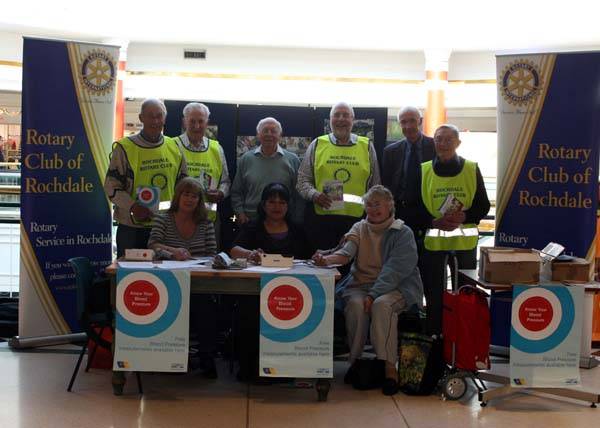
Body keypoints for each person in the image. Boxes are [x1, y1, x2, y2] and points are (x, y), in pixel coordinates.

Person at [312, 185, 423, 395]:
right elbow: (345, 254)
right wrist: (324, 260)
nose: (373, 209)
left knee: (381, 306)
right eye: (369, 205)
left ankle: (390, 368)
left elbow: (395, 270)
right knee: (354, 305)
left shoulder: (403, 232)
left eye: (377, 204)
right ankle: (355, 362)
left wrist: (374, 294)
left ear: (390, 206)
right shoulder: (359, 227)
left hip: (397, 287)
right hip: (359, 285)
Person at [413, 124, 490, 336]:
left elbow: (483, 205)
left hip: (464, 246)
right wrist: (432, 222)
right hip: (433, 246)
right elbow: (412, 207)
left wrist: (465, 216)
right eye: (439, 139)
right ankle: (435, 346)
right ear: (433, 142)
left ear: (458, 143)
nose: (443, 144)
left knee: (465, 298)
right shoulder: (424, 170)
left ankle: (463, 347)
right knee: (434, 298)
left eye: (448, 139)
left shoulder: (471, 168)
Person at [230, 182, 311, 382]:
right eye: (272, 201)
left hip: (291, 291)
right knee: (248, 312)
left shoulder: (297, 229)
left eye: (282, 202)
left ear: (288, 206)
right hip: (257, 290)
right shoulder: (252, 226)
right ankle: (251, 368)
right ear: (264, 205)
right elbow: (233, 250)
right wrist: (251, 254)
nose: (276, 206)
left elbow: (310, 257)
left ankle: (288, 367)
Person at [148, 177, 218, 378]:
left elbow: (212, 253)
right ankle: (170, 358)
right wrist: (173, 253)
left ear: (199, 200)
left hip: (198, 282)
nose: (189, 199)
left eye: (195, 196)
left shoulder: (206, 223)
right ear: (178, 196)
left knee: (206, 309)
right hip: (167, 282)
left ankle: (206, 358)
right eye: (186, 194)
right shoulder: (163, 218)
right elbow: (153, 244)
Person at [104, 98, 187, 258]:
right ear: (141, 118)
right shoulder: (124, 148)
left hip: (165, 228)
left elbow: (183, 185)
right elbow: (111, 187)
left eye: (159, 116)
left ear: (165, 118)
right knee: (130, 277)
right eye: (150, 116)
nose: (155, 121)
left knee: (164, 278)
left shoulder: (175, 147)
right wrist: (134, 206)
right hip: (131, 228)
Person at [297, 102, 381, 253]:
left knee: (353, 271)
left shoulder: (367, 146)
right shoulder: (317, 144)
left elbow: (375, 186)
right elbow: (302, 181)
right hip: (321, 221)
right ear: (330, 119)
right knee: (323, 270)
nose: (341, 119)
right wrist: (315, 195)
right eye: (336, 115)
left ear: (353, 119)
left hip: (357, 222)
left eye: (345, 115)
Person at [230, 117, 300, 225]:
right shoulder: (246, 159)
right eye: (265, 130)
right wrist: (240, 213)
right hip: (250, 220)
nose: (269, 134)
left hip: (283, 221)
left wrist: (296, 220)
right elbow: (236, 192)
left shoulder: (293, 160)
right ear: (258, 135)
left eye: (273, 131)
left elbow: (298, 195)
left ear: (280, 135)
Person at [173, 102, 231, 225]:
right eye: (192, 121)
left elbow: (225, 182)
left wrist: (220, 193)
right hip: (177, 218)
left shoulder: (217, 148)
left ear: (207, 122)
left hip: (207, 218)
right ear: (184, 122)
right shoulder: (172, 146)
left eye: (201, 121)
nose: (197, 126)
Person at [382, 106, 435, 239]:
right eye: (403, 122)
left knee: (426, 256)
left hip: (428, 212)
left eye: (412, 121)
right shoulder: (391, 151)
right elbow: (386, 184)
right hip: (401, 212)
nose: (408, 126)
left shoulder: (435, 147)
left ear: (420, 121)